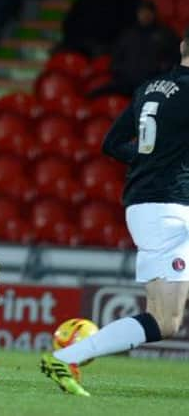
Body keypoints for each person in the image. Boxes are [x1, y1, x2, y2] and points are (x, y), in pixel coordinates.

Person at [40, 28, 189, 397]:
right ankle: (68, 356)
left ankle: (68, 356)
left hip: (148, 204)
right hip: (170, 208)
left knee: (163, 320)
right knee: (165, 321)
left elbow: (111, 143)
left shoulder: (151, 87)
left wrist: (147, 161)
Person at [90, 0, 180, 97]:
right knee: (96, 94)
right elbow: (115, 58)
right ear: (137, 14)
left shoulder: (166, 35)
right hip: (126, 82)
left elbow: (176, 57)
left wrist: (163, 70)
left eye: (148, 12)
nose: (145, 15)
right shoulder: (128, 35)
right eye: (142, 12)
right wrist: (120, 72)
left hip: (153, 84)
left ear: (154, 13)